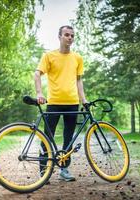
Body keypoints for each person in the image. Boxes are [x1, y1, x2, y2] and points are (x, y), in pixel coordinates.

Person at [34, 25, 87, 182]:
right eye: (66, 35)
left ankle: (64, 169)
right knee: (47, 138)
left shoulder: (77, 58)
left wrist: (83, 99)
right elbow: (37, 74)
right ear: (59, 37)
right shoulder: (49, 56)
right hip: (54, 103)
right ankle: (44, 172)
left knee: (68, 138)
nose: (70, 37)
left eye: (72, 35)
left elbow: (79, 80)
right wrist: (39, 93)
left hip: (72, 104)